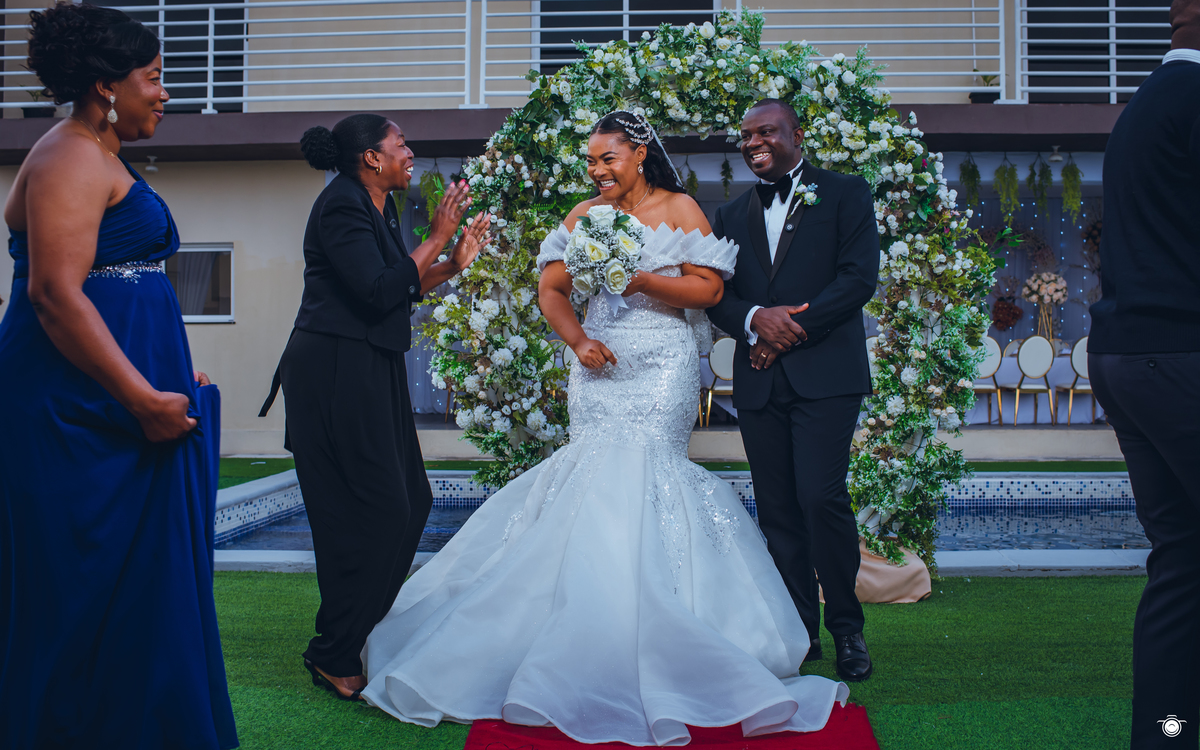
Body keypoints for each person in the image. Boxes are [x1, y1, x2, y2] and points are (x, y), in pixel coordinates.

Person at [357, 110, 848, 745]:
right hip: (599, 363)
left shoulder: (682, 209)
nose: (596, 171)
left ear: (639, 153)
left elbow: (708, 290)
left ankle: (670, 626)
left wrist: (639, 278)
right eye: (590, 161)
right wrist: (579, 339)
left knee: (650, 472)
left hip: (663, 363)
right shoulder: (584, 217)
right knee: (594, 473)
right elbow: (552, 290)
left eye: (606, 158)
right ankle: (579, 626)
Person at [0, 3, 237, 748]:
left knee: (133, 580)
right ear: (107, 85)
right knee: (85, 581)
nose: (165, 94)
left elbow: (115, 282)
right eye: (155, 78)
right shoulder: (70, 155)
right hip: (80, 412)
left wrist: (166, 363)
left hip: (115, 398)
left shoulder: (95, 153)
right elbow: (53, 292)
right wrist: (139, 395)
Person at [258, 114, 491, 701]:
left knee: (413, 502)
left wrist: (452, 263)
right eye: (400, 143)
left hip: (371, 363)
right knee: (377, 512)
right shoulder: (341, 204)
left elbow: (395, 287)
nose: (409, 152)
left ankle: (352, 634)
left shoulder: (376, 205)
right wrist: (438, 235)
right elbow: (376, 291)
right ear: (371, 157)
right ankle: (333, 649)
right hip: (335, 369)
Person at [706, 99, 879, 683]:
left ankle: (847, 627)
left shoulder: (846, 192)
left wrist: (784, 334)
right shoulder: (730, 213)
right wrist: (755, 319)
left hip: (827, 377)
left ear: (797, 135)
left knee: (820, 498)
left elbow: (858, 279)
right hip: (759, 381)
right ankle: (800, 631)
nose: (753, 142)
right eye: (745, 135)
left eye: (766, 132)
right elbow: (716, 295)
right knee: (778, 509)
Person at [1088, 1, 1200, 745]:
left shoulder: (1147, 104)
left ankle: (1167, 732)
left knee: (1184, 559)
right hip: (1180, 353)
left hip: (1129, 356)